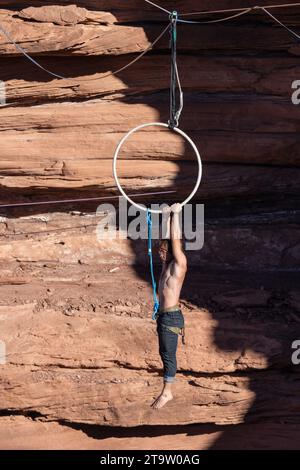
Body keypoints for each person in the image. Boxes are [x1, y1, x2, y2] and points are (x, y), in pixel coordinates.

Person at [151, 203, 187, 409]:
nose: (161, 254)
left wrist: (176, 214)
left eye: (164, 251)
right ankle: (166, 390)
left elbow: (175, 241)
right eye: (160, 251)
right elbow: (166, 239)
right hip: (164, 317)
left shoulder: (179, 265)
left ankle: (167, 392)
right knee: (163, 352)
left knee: (168, 354)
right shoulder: (165, 269)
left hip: (172, 317)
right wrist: (165, 217)